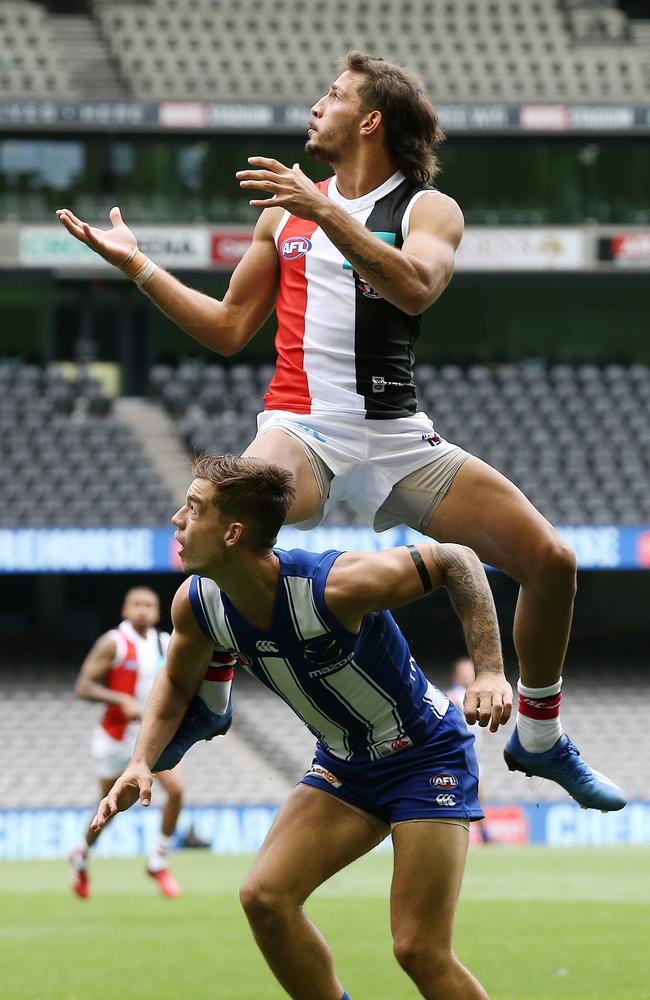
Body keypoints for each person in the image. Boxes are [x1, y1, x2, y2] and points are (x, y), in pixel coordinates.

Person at [56, 52, 625, 812]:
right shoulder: (282, 212)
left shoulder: (429, 209)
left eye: (332, 95)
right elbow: (228, 330)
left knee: (551, 559)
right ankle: (213, 697)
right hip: (302, 427)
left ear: (371, 119)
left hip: (395, 435)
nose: (315, 105)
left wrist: (324, 210)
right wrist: (140, 268)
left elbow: (415, 288)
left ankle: (541, 736)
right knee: (219, 524)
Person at [93, 454, 513, 1000]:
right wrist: (141, 761)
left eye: (193, 508)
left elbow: (457, 560)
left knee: (418, 949)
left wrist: (490, 672)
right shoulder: (196, 604)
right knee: (264, 899)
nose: (176, 518)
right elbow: (175, 684)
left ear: (232, 533)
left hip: (425, 758)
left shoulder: (332, 587)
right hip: (345, 764)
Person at [68, 587, 223, 898]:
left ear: (157, 611)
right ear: (126, 610)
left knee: (177, 791)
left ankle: (157, 861)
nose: (143, 610)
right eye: (137, 604)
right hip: (116, 737)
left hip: (151, 736)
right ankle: (82, 854)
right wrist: (119, 698)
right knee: (111, 808)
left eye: (149, 605)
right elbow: (83, 686)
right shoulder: (114, 642)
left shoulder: (166, 643)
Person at [448, 657, 492, 844]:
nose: (468, 675)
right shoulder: (453, 695)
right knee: (471, 796)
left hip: (472, 756)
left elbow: (487, 729)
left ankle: (484, 836)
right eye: (464, 671)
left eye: (470, 671)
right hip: (457, 757)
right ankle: (482, 837)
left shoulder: (478, 698)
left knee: (478, 796)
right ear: (456, 675)